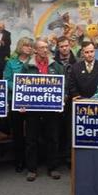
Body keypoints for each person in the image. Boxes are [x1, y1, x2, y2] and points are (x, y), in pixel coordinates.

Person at [20, 37, 65, 181]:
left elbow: (63, 86)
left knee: (52, 138)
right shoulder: (27, 67)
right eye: (41, 48)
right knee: (31, 139)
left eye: (46, 47)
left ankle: (53, 167)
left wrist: (62, 98)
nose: (45, 50)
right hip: (33, 109)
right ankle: (32, 169)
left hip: (51, 109)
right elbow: (21, 86)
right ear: (35, 50)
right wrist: (21, 102)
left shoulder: (56, 66)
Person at [3, 37, 34, 173]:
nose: (28, 48)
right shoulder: (11, 63)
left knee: (32, 132)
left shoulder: (34, 62)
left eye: (30, 46)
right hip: (15, 101)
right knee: (17, 132)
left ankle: (31, 160)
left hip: (32, 102)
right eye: (26, 45)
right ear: (20, 46)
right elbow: (7, 80)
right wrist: (19, 88)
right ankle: (19, 160)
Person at [52, 36, 77, 167]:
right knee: (55, 131)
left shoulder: (76, 61)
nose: (64, 48)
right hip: (55, 101)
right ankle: (55, 159)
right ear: (58, 47)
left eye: (66, 45)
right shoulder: (52, 62)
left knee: (69, 131)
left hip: (71, 101)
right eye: (61, 46)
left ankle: (68, 158)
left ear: (70, 45)